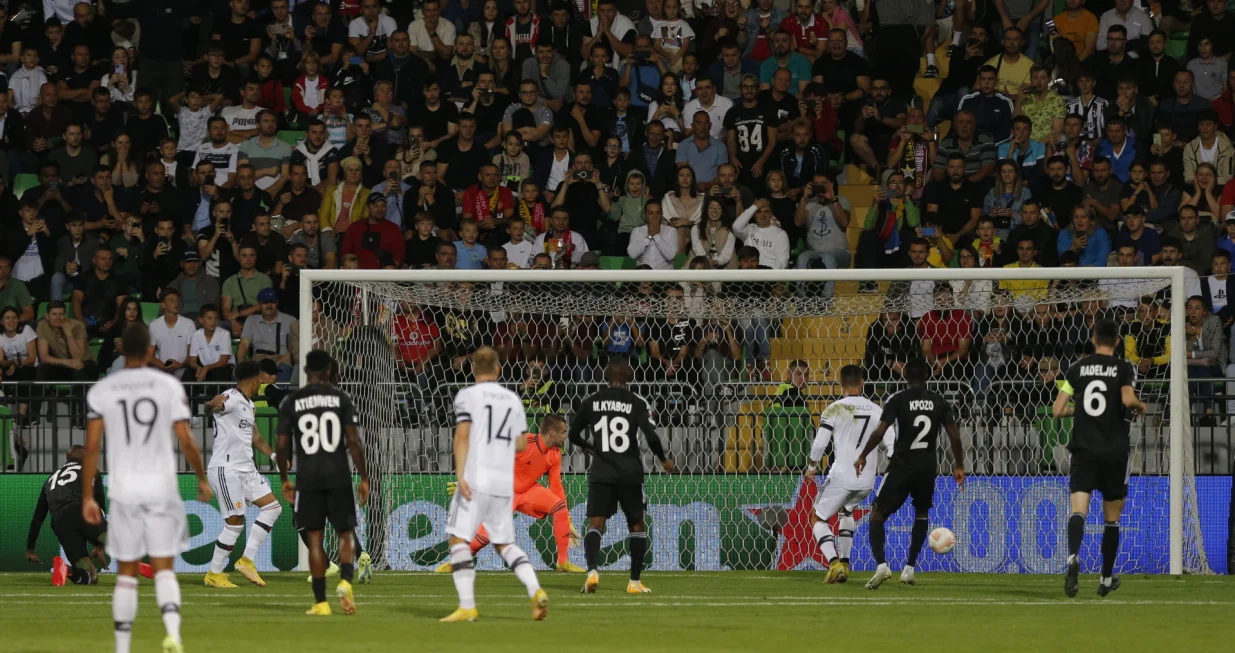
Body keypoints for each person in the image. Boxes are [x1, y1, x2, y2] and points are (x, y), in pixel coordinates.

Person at [80, 322, 211, 653]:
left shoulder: (103, 390)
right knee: (165, 568)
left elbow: (92, 448)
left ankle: (123, 647)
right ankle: (173, 634)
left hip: (124, 489)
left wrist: (88, 497)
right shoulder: (167, 386)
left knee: (126, 574)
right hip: (161, 487)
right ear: (151, 350)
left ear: (122, 349)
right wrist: (201, 477)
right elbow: (186, 440)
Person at [438, 346, 548, 621]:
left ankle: (467, 605)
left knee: (458, 539)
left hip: (476, 479)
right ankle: (535, 589)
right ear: (498, 369)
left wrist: (460, 475)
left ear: (473, 368)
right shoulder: (512, 399)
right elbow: (521, 444)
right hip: (503, 482)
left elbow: (462, 436)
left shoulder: (467, 396)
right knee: (505, 543)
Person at [1052, 318, 1147, 598]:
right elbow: (1128, 399)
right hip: (1114, 451)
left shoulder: (1077, 368)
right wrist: (1141, 405)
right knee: (1111, 518)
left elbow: (1057, 409)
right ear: (1117, 342)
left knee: (1078, 510)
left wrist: (1078, 410)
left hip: (1083, 448)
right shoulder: (1123, 367)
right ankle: (1105, 578)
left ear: (1093, 340)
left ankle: (1073, 557)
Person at [855, 358, 965, 589]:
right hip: (927, 467)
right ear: (927, 376)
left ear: (905, 375)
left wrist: (863, 454)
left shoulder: (898, 399)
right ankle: (909, 568)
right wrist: (959, 465)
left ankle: (882, 565)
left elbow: (880, 431)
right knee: (921, 513)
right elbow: (954, 436)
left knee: (878, 512)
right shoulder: (939, 401)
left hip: (902, 465)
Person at [568, 356, 674, 595]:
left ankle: (592, 571)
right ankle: (634, 582)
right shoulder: (636, 402)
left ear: (606, 376)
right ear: (628, 376)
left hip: (601, 471)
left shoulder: (591, 401)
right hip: (629, 472)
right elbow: (650, 435)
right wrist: (663, 459)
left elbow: (573, 434)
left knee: (596, 524)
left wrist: (589, 446)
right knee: (636, 525)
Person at [276, 349, 370, 616]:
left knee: (315, 539)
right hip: (338, 475)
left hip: (308, 479)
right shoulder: (341, 398)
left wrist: (284, 478)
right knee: (345, 533)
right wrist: (364, 478)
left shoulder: (291, 401)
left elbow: (281, 445)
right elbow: (354, 441)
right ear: (328, 371)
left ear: (306, 371)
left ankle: (320, 603)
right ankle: (345, 581)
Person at [803, 364, 892, 584]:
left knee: (817, 517)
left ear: (840, 384)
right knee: (846, 512)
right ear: (862, 383)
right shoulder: (877, 410)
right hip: (866, 481)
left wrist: (812, 467)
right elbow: (893, 445)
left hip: (842, 476)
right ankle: (845, 563)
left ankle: (834, 563)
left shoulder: (834, 409)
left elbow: (820, 444)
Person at [202, 360, 282, 590]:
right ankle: (214, 573)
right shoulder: (231, 397)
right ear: (255, 380)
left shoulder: (249, 405)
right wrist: (211, 404)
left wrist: (275, 457)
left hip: (246, 468)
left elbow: (256, 438)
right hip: (227, 468)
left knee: (273, 508)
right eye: (260, 379)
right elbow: (213, 408)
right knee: (235, 522)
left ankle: (246, 560)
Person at [25, 445, 120, 586]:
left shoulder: (50, 480)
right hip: (83, 511)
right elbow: (99, 507)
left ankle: (66, 569)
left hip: (61, 522)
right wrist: (99, 544)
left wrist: (30, 549)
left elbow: (38, 518)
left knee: (88, 578)